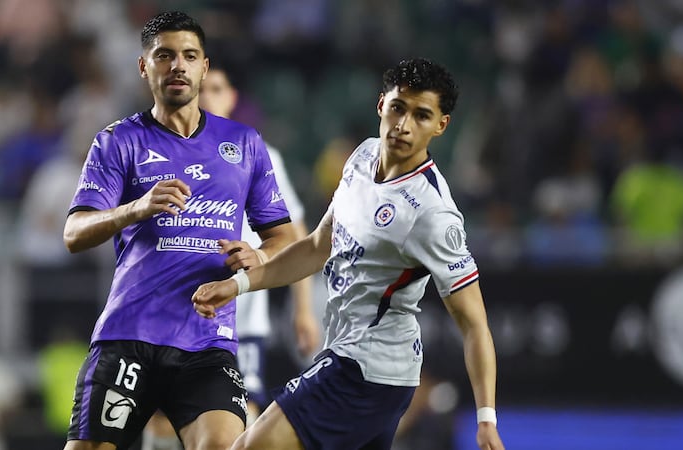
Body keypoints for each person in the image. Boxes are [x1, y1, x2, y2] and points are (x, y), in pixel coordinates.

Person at [192, 58, 505, 450]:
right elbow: (317, 247)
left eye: (422, 115)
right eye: (398, 108)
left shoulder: (432, 214)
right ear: (381, 105)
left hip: (365, 372)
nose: (404, 125)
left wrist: (486, 419)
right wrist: (240, 284)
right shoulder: (361, 158)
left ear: (441, 125)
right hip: (363, 367)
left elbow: (474, 324)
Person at [61, 11, 296, 450]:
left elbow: (285, 238)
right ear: (143, 66)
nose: (177, 66)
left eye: (189, 56)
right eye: (164, 55)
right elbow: (74, 233)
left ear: (204, 67)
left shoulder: (244, 143)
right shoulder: (118, 140)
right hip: (129, 334)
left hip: (207, 341)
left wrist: (260, 256)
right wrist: (136, 208)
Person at [141, 67, 321, 450]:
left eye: (216, 88)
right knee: (160, 418)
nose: (208, 96)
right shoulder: (164, 150)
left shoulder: (259, 153)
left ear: (231, 97)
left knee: (242, 418)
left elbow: (297, 237)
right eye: (201, 89)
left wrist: (303, 310)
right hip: (175, 312)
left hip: (240, 320)